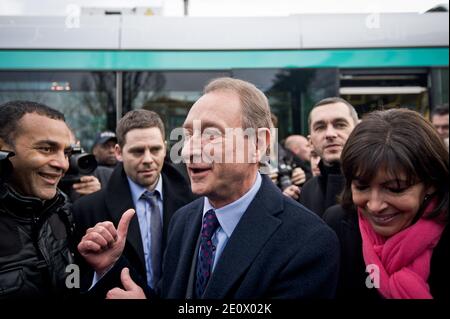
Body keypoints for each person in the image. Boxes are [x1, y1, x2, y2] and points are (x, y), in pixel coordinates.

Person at [81, 77, 340, 299]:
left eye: (211, 134)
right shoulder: (184, 220)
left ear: (259, 143)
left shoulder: (308, 241)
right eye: (187, 135)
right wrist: (112, 266)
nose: (189, 150)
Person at [324, 108, 449, 299]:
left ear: (431, 184)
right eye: (362, 186)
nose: (374, 205)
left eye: (395, 189)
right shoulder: (336, 224)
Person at [73, 109, 195, 296]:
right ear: (119, 152)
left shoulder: (196, 201)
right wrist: (102, 272)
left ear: (164, 148)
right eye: (138, 151)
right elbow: (77, 281)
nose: (148, 160)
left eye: (155, 149)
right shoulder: (87, 210)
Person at [0, 100, 76, 298]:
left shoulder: (62, 208)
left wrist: (95, 269)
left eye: (66, 152)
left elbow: (72, 283)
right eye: (46, 149)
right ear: (2, 148)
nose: (63, 164)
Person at [298, 97, 358, 218]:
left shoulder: (374, 186)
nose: (330, 134)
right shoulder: (308, 190)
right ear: (310, 142)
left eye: (340, 125)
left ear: (358, 131)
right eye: (320, 127)